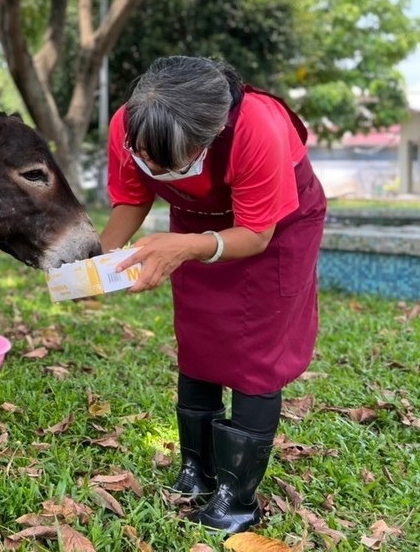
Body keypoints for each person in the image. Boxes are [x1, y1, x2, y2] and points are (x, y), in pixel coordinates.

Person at [100, 56, 326, 534]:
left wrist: (187, 247)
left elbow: (256, 235)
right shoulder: (130, 122)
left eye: (171, 163)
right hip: (195, 225)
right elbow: (134, 195)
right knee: (199, 337)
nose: (155, 168)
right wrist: (100, 263)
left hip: (273, 227)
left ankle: (236, 495)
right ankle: (197, 469)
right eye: (146, 155)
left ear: (212, 134)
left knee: (256, 352)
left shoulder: (255, 129)